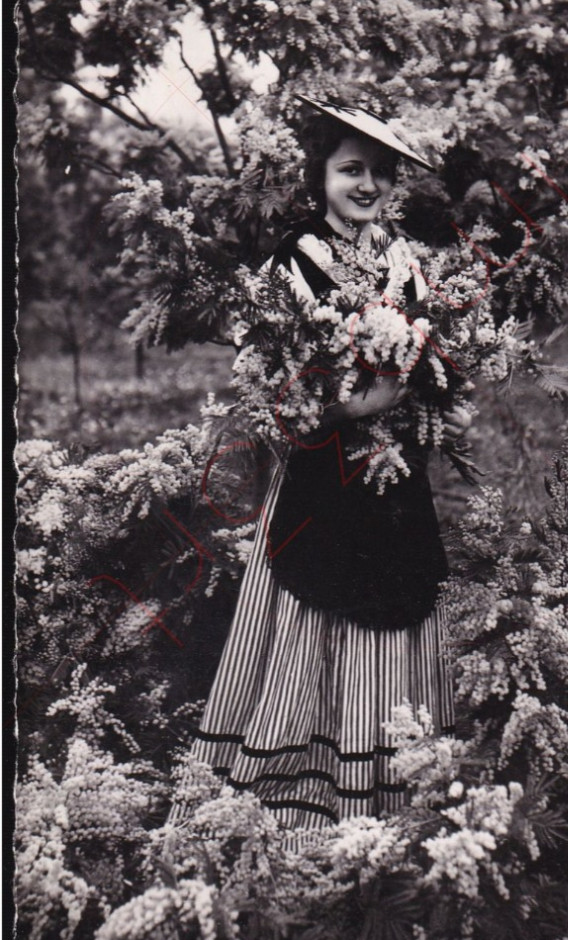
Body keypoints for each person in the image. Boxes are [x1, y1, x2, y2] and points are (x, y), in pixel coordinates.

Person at [172, 97, 470, 833]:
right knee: (315, 599)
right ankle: (296, 767)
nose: (365, 186)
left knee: (391, 597)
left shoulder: (403, 259)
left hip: (392, 471)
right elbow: (271, 378)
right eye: (349, 171)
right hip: (321, 465)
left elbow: (431, 354)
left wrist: (427, 386)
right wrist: (343, 406)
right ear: (320, 177)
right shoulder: (293, 261)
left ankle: (387, 772)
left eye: (378, 174)